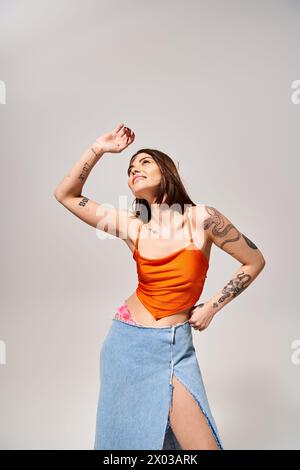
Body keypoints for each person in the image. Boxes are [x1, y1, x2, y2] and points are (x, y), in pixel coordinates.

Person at [54, 123, 266, 450]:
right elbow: (66, 195)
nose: (135, 169)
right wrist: (99, 147)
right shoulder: (132, 226)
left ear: (166, 171)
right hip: (127, 345)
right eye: (130, 168)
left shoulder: (203, 218)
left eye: (145, 162)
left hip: (175, 346)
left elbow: (254, 261)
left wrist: (212, 306)